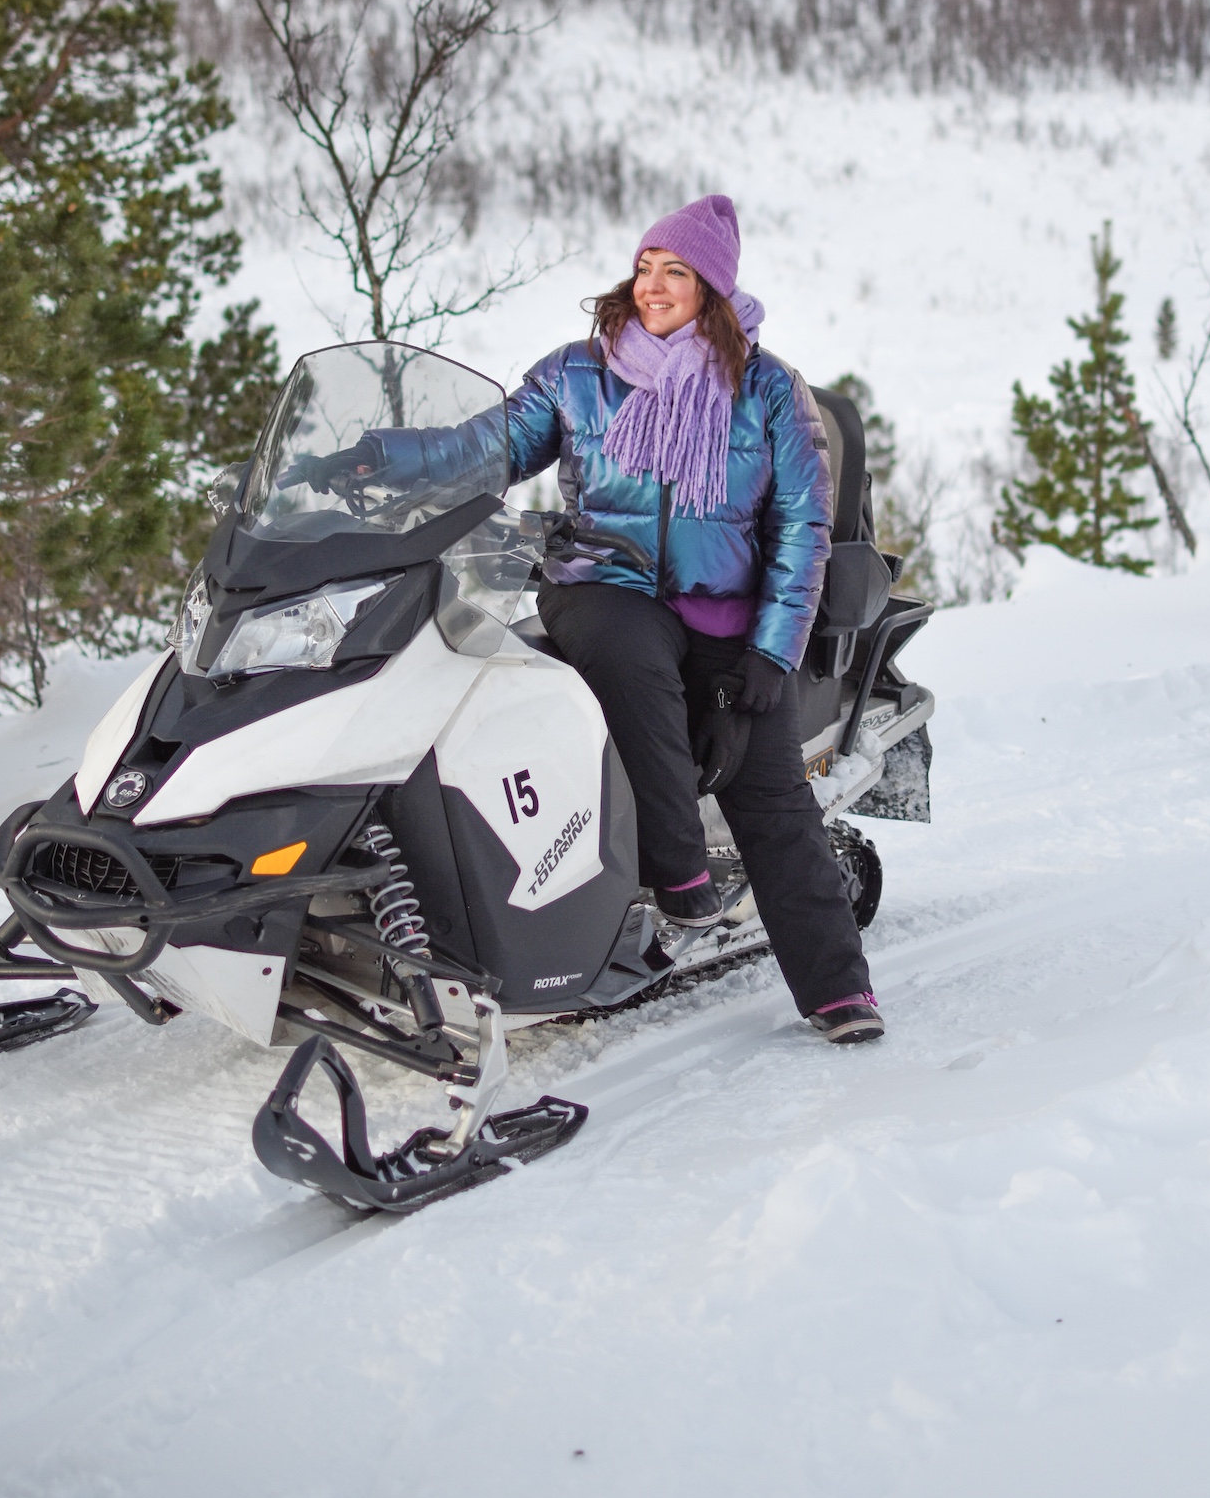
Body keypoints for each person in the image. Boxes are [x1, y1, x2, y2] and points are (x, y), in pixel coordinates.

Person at [365, 194, 882, 1045]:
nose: (652, 285)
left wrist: (772, 652)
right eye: (645, 267)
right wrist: (382, 458)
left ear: (713, 289)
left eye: (676, 271)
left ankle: (838, 989)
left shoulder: (767, 388)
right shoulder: (579, 373)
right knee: (627, 661)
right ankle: (677, 871)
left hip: (728, 610)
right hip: (604, 582)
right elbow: (486, 447)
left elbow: (802, 528)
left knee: (772, 794)